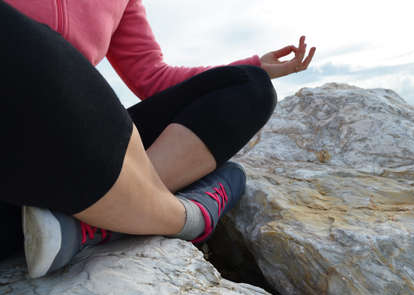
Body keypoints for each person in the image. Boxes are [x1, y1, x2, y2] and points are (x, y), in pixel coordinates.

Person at [1, 0, 315, 278]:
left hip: (81, 135)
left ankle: (101, 219)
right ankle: (181, 217)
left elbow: (151, 75)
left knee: (249, 87)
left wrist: (255, 66)